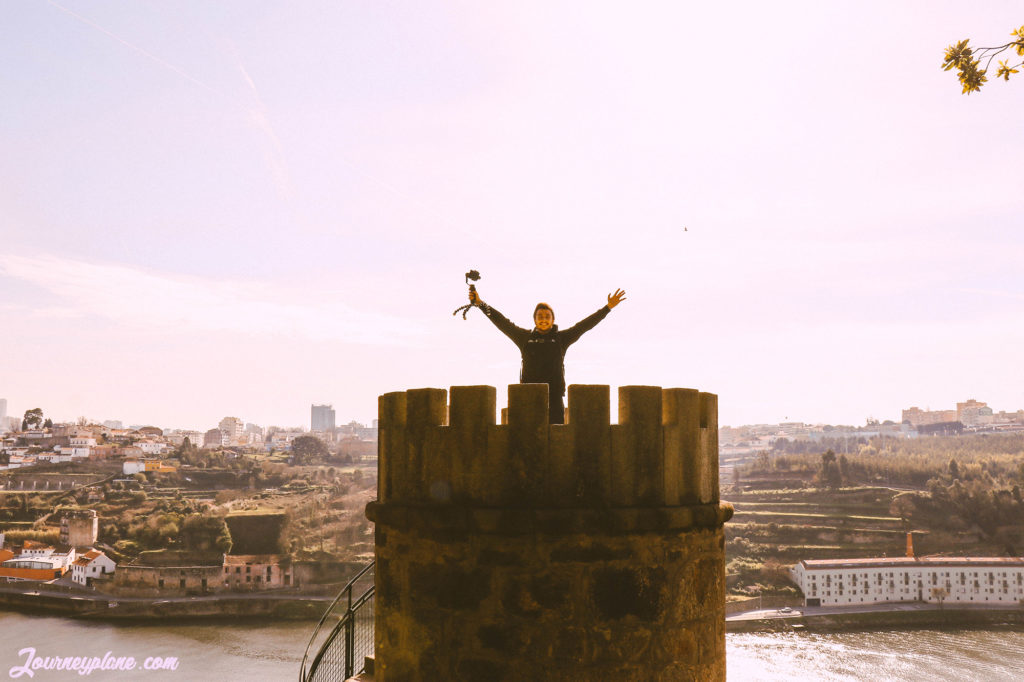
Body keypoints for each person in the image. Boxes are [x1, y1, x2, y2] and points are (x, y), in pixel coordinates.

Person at [469, 287, 626, 424]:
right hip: (528, 396)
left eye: (547, 316)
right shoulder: (524, 338)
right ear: (535, 320)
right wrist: (480, 303)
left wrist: (607, 308)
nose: (543, 319)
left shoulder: (561, 339)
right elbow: (502, 322)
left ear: (553, 320)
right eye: (540, 316)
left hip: (555, 398)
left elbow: (584, 326)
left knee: (556, 437)